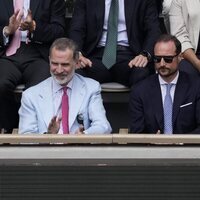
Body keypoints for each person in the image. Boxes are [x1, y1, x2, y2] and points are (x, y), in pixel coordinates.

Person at [18, 38, 112, 134]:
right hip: (46, 148)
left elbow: (103, 126)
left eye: (65, 65)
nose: (59, 70)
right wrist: (48, 137)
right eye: (54, 63)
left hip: (79, 148)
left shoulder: (91, 88)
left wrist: (83, 136)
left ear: (76, 62)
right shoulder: (30, 95)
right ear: (49, 60)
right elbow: (25, 137)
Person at [0, 0, 66, 133]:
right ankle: (8, 130)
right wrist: (7, 30)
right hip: (7, 55)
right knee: (1, 84)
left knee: (38, 88)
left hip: (38, 54)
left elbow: (59, 30)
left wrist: (35, 27)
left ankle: (33, 134)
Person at [69, 0, 161, 87]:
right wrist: (78, 54)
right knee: (77, 72)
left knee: (142, 73)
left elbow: (153, 30)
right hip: (96, 56)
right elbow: (77, 28)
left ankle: (136, 104)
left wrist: (145, 54)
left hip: (130, 56)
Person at [129, 34, 200, 134]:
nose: (162, 64)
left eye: (168, 59)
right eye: (157, 59)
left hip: (186, 148)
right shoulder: (140, 91)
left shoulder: (196, 86)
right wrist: (151, 141)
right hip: (152, 148)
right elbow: (136, 133)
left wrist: (179, 142)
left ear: (180, 57)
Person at [169, 0, 200, 76]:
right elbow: (179, 36)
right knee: (185, 73)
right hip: (192, 54)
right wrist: (198, 63)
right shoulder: (179, 1)